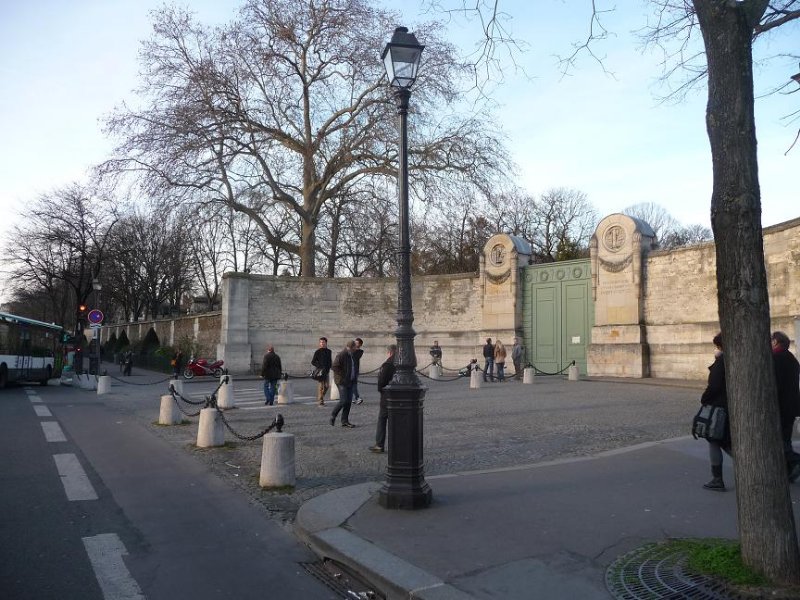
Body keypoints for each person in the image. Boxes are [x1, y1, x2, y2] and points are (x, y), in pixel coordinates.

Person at [699, 333, 731, 491]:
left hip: (719, 408)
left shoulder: (721, 362)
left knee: (714, 440)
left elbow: (714, 386)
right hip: (729, 407)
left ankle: (717, 479)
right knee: (725, 441)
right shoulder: (733, 360)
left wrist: (704, 399)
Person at [771, 331, 800, 482]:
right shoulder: (791, 359)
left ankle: (795, 461)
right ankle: (789, 471)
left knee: (779, 440)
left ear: (775, 341)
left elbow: (776, 385)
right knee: (785, 438)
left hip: (781, 406)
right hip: (791, 406)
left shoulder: (777, 358)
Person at [369, 344, 397, 453]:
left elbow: (381, 382)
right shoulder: (402, 362)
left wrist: (381, 390)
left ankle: (379, 444)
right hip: (399, 396)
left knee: (382, 419)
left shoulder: (388, 364)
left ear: (389, 352)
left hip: (387, 397)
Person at [330, 340, 357, 427]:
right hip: (342, 381)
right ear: (351, 347)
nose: (356, 348)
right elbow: (334, 366)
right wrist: (343, 376)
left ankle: (344, 421)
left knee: (348, 402)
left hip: (350, 381)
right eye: (355, 347)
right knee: (343, 401)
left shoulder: (351, 355)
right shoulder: (342, 354)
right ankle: (333, 415)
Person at [311, 337, 332, 406]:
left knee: (326, 386)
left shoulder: (329, 351)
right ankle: (321, 401)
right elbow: (313, 362)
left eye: (323, 342)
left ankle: (321, 397)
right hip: (320, 372)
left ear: (326, 343)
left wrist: (330, 367)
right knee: (321, 386)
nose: (322, 344)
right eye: (321, 342)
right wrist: (320, 366)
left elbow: (330, 361)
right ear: (319, 343)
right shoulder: (317, 352)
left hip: (326, 371)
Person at [352, 337, 365, 405]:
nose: (355, 343)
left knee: (353, 384)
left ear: (360, 344)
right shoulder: (352, 350)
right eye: (355, 342)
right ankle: (355, 398)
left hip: (354, 370)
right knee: (351, 385)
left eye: (356, 343)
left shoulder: (360, 351)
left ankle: (357, 398)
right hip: (350, 369)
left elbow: (354, 357)